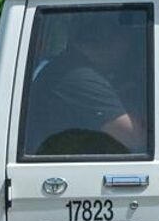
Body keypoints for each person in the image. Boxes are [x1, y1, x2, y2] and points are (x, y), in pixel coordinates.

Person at [26, 13, 147, 155]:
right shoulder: (77, 76)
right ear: (114, 41)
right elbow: (136, 138)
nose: (132, 54)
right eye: (132, 44)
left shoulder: (69, 66)